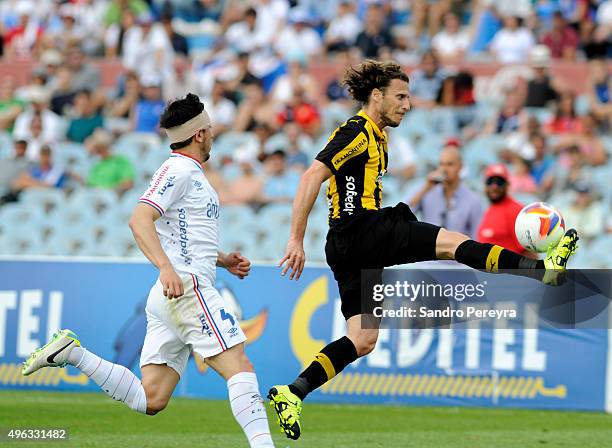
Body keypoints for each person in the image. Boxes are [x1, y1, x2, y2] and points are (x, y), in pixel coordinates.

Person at [267, 60, 579, 441]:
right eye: (400, 96)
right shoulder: (357, 131)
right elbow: (311, 175)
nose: (407, 104)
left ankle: (293, 392)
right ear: (377, 96)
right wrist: (295, 239)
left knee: (363, 338)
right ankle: (541, 269)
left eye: (409, 97)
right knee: (451, 244)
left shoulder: (377, 136)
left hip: (347, 244)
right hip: (364, 229)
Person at [22, 93, 275, 448]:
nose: (214, 135)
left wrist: (222, 260)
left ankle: (72, 353)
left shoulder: (189, 174)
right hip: (187, 288)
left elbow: (180, 233)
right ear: (200, 134)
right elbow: (140, 218)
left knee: (151, 399)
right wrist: (166, 267)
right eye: (211, 129)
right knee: (240, 367)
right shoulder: (178, 169)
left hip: (171, 294)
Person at [409, 146, 483, 239]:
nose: (444, 169)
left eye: (450, 164)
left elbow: (476, 236)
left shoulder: (473, 199)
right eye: (441, 164)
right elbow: (403, 213)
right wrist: (426, 188)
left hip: (457, 251)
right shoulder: (427, 191)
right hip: (429, 250)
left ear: (461, 166)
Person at [477, 164, 526, 254]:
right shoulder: (488, 209)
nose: (494, 186)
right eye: (490, 181)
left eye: (499, 182)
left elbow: (529, 252)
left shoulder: (516, 211)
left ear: (507, 185)